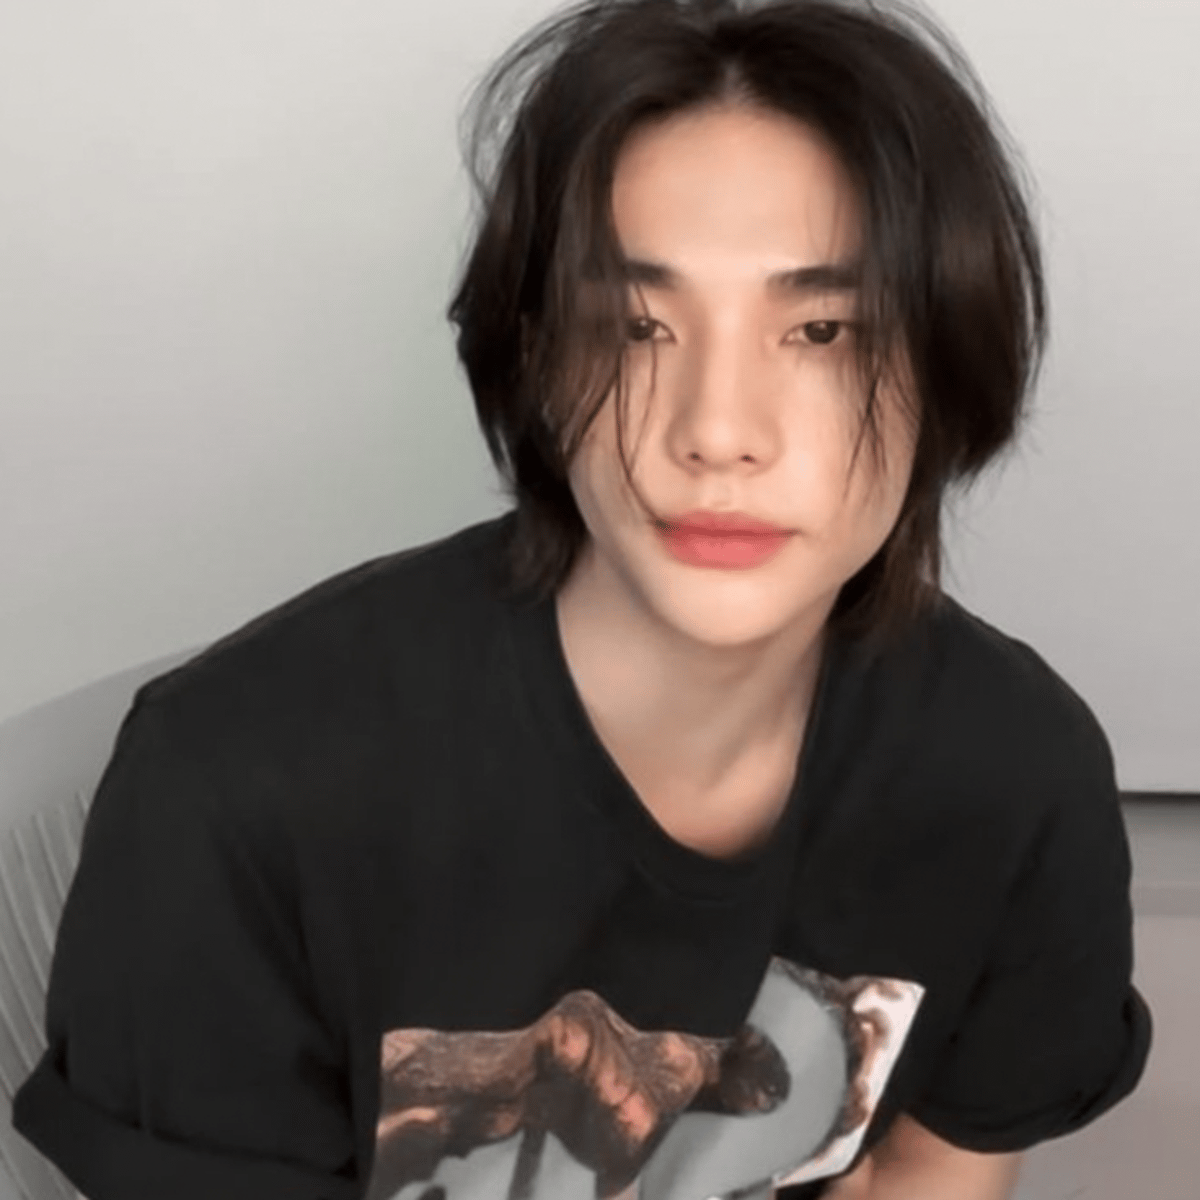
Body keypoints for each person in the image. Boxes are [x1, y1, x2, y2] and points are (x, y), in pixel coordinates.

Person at [12, 1, 1152, 1197]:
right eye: (634, 326)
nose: (718, 431)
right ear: (538, 363)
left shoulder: (1015, 774)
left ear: (951, 363)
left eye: (824, 329)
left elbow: (931, 1171)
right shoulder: (233, 791)